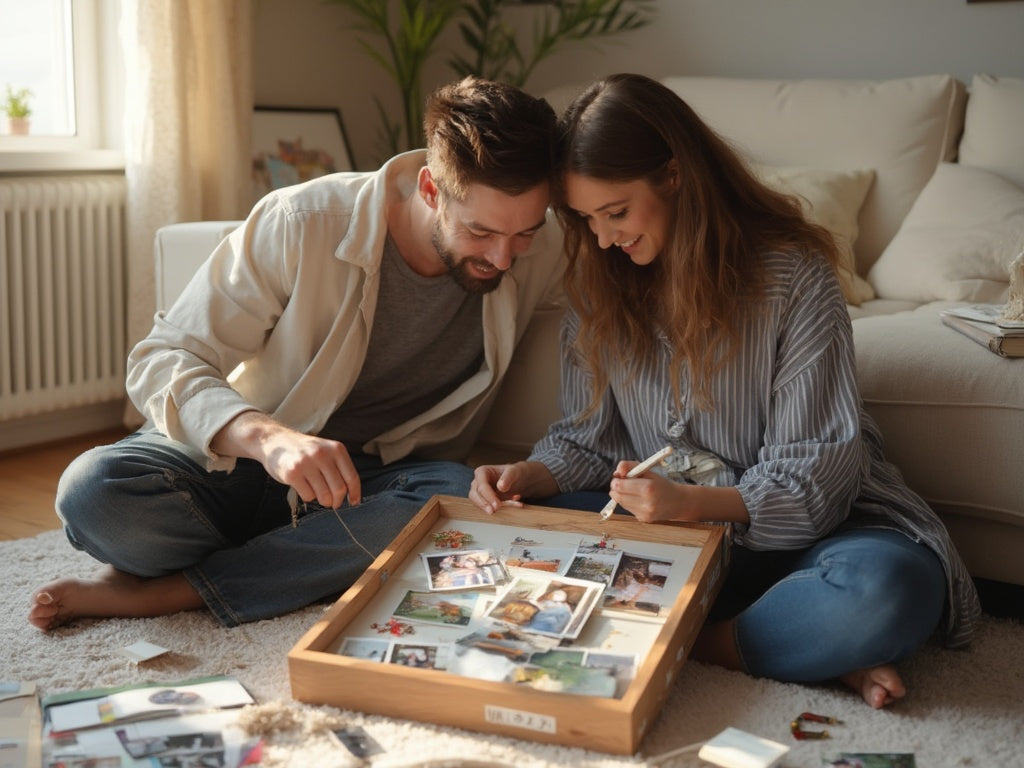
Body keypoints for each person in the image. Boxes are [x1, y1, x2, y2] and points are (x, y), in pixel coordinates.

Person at [469, 73, 981, 709]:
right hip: (680, 536)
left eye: (617, 212)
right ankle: (807, 647)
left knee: (885, 591)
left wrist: (688, 502)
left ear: (675, 175)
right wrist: (527, 473)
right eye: (587, 220)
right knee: (521, 542)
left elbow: (815, 479)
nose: (603, 238)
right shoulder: (601, 282)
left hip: (808, 534)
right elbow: (588, 440)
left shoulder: (794, 275)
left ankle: (706, 643)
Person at [29, 76, 563, 630]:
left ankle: (173, 588)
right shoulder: (301, 222)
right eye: (480, 232)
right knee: (94, 493)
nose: (503, 258)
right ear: (431, 190)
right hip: (239, 465)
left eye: (522, 233)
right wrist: (270, 439)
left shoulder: (541, 248)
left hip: (372, 490)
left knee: (457, 494)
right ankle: (303, 558)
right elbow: (162, 356)